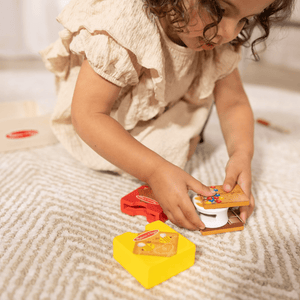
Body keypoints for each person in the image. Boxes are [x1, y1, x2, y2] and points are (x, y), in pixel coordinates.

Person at [40, 0, 294, 230]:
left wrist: (241, 154)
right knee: (159, 159)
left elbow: (234, 103)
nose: (228, 33)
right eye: (220, 10)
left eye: (244, 20)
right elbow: (88, 115)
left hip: (161, 105)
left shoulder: (216, 37)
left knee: (176, 143)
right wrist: (154, 171)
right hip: (102, 119)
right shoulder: (126, 24)